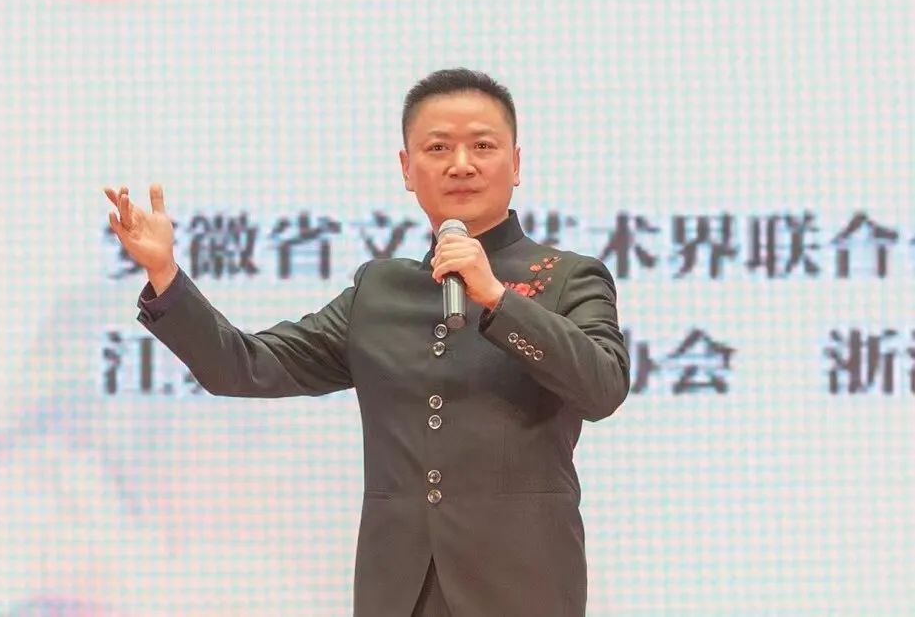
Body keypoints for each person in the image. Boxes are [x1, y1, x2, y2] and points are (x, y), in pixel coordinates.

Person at [104, 68, 630, 617]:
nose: (461, 164)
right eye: (437, 147)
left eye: (482, 145)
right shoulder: (378, 291)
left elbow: (603, 387)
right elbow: (242, 365)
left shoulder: (568, 277)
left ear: (516, 164)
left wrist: (496, 297)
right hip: (398, 591)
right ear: (406, 168)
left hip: (524, 588)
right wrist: (165, 275)